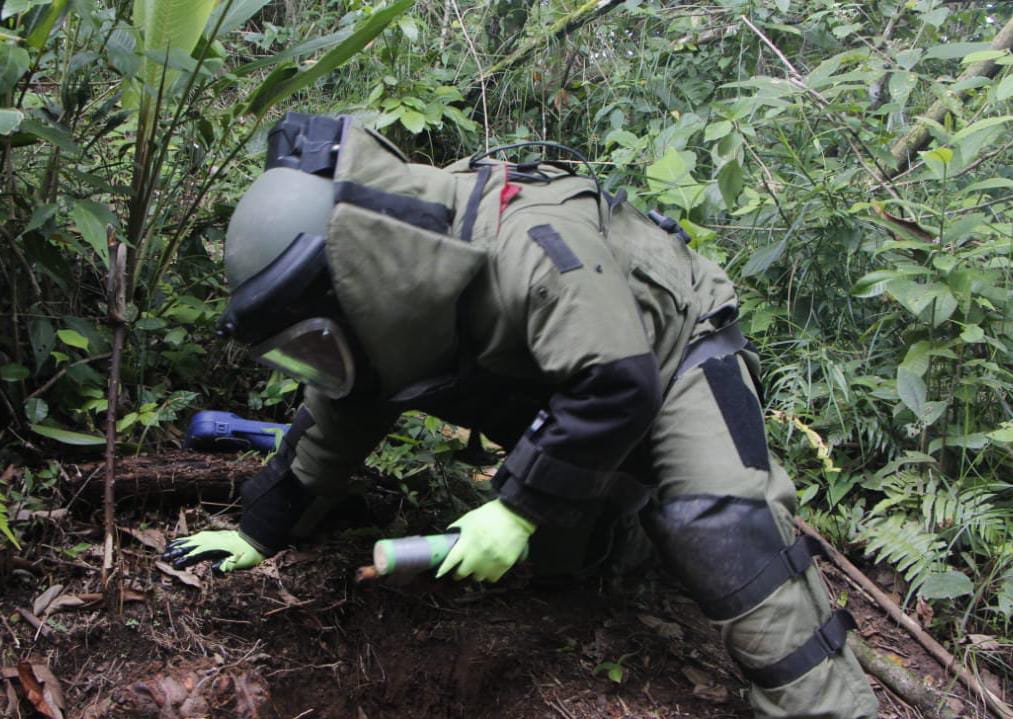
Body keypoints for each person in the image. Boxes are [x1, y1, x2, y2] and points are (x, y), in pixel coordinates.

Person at [163, 113, 878, 718]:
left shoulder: (528, 245)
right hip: (581, 375)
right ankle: (630, 520)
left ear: (360, 277)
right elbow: (344, 408)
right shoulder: (397, 293)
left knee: (717, 525)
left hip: (671, 347)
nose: (321, 356)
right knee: (567, 562)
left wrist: (515, 505)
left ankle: (830, 703)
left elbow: (617, 381)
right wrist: (259, 527)